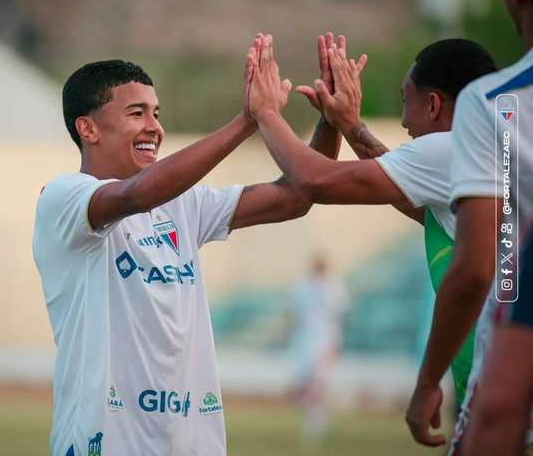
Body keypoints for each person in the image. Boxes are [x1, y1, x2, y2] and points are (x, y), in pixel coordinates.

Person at [32, 33, 361, 455]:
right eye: (137, 113)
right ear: (88, 128)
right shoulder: (64, 198)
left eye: (156, 113)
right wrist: (247, 121)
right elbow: (137, 194)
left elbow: (295, 197)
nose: (154, 127)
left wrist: (331, 120)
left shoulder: (181, 204)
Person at [243, 33, 497, 407]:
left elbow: (315, 180)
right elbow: (414, 202)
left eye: (405, 101)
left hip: (502, 393)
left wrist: (265, 112)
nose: (404, 120)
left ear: (432, 104)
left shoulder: (450, 147)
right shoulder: (494, 148)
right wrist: (346, 123)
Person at [406, 0, 533, 453]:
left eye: (407, 103)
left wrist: (426, 382)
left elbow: (480, 267)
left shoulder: (496, 105)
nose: (404, 120)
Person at [289, 253, 347, 442]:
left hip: (324, 342)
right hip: (305, 342)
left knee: (318, 384)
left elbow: (337, 317)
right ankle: (314, 416)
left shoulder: (334, 287)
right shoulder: (303, 287)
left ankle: (316, 421)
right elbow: (295, 314)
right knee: (304, 384)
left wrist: (334, 346)